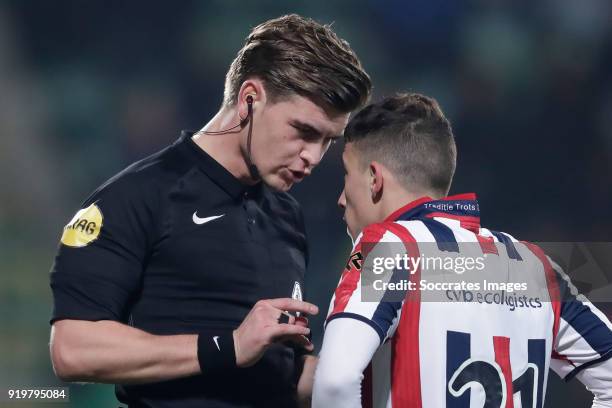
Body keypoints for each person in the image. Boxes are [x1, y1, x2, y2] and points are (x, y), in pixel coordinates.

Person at [49, 14, 371, 407]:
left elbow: (287, 378)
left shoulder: (287, 216)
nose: (313, 157)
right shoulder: (137, 196)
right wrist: (229, 346)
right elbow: (73, 349)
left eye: (327, 141)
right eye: (304, 131)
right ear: (250, 99)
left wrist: (386, 371)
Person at [312, 93, 612, 407]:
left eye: (346, 175)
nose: (341, 199)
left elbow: (335, 382)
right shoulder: (536, 266)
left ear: (374, 178)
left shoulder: (386, 248)